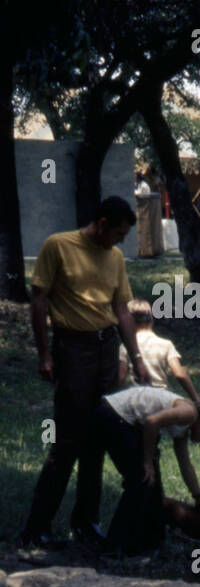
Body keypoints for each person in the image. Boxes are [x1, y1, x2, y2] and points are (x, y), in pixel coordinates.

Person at [20, 196, 150, 548]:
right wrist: (45, 353)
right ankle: (37, 527)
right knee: (67, 441)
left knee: (99, 437)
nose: (120, 241)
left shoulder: (116, 258)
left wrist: (135, 356)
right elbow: (39, 300)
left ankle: (86, 521)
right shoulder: (59, 246)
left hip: (106, 349)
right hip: (72, 349)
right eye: (118, 233)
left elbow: (122, 309)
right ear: (102, 223)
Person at [84, 385, 200, 555]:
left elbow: (185, 464)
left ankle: (151, 544)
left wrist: (199, 498)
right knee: (142, 481)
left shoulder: (184, 428)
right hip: (113, 415)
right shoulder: (188, 413)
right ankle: (114, 548)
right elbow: (152, 422)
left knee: (154, 490)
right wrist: (147, 461)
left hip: (121, 419)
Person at [117, 300, 199, 401]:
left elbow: (121, 377)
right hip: (160, 396)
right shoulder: (166, 344)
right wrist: (196, 399)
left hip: (136, 396)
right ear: (151, 320)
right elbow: (179, 374)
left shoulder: (126, 346)